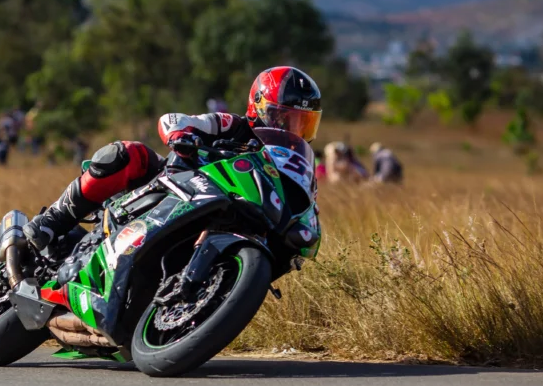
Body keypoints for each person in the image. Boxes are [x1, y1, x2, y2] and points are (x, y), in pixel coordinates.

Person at [23, 66, 324, 262]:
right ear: (258, 106)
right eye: (284, 117)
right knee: (128, 154)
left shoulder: (292, 163)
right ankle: (52, 221)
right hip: (173, 185)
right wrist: (181, 136)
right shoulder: (234, 126)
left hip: (230, 214)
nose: (292, 129)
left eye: (303, 123)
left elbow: (307, 206)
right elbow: (174, 120)